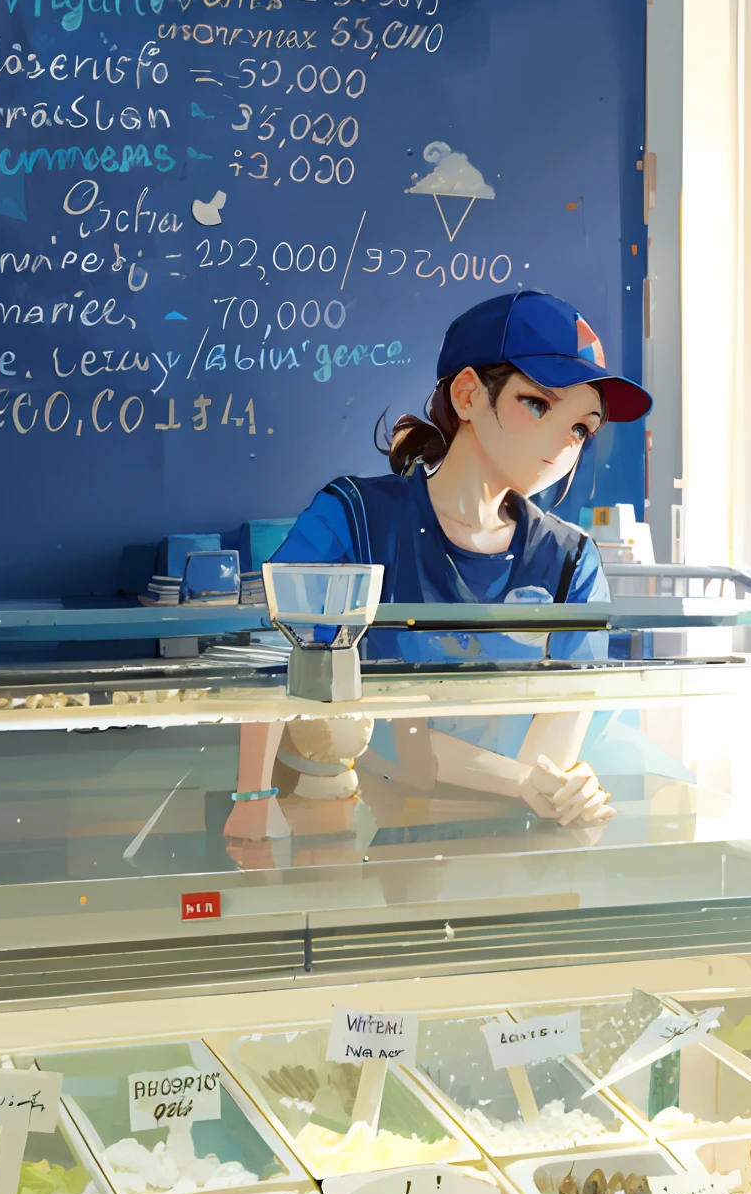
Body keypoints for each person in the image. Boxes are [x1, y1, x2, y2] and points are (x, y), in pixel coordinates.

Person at [226, 290, 651, 845]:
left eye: (580, 429)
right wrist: (252, 800)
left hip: (511, 845)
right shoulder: (354, 516)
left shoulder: (571, 559)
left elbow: (552, 748)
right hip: (353, 834)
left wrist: (534, 787)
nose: (562, 444)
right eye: (539, 405)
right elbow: (279, 670)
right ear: (469, 393)